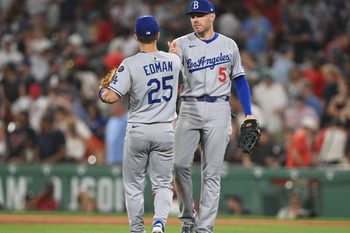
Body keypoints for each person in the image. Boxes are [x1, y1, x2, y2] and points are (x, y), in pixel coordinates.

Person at [168, 1, 257, 232]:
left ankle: (204, 228)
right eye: (192, 16)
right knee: (178, 165)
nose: (195, 19)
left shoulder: (229, 45)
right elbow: (170, 78)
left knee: (212, 173)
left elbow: (240, 80)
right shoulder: (181, 44)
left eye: (200, 15)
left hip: (219, 108)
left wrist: (248, 113)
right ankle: (188, 219)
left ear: (212, 16)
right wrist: (172, 60)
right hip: (189, 106)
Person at [99, 15, 181, 233]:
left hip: (138, 129)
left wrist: (100, 90)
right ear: (158, 35)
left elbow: (110, 98)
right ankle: (159, 224)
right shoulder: (174, 61)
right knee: (163, 183)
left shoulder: (130, 64)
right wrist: (173, 52)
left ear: (135, 37)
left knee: (134, 185)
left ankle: (137, 230)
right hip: (165, 129)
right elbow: (175, 58)